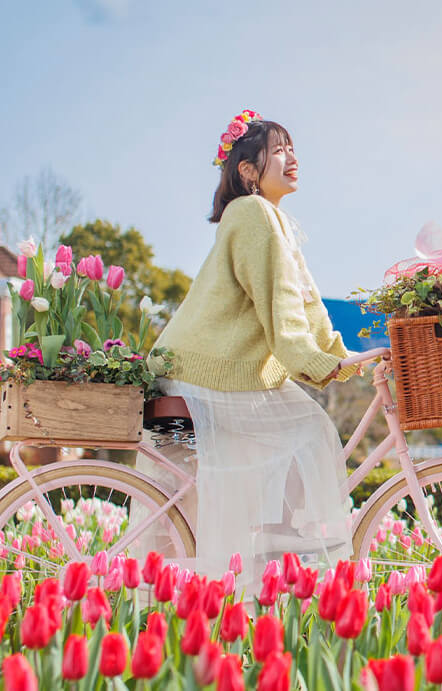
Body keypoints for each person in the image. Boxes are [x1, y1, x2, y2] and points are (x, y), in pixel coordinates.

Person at [141, 110, 355, 587]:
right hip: (198, 380)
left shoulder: (276, 223)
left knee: (183, 508)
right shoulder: (253, 214)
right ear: (248, 170)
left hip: (184, 379)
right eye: (278, 150)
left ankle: (193, 593)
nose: (292, 157)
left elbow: (308, 306)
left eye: (292, 148)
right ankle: (278, 535)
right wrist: (322, 364)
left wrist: (339, 355)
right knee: (311, 429)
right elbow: (280, 309)